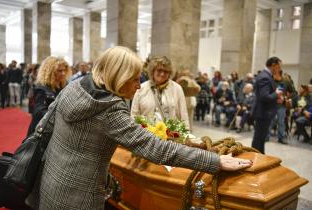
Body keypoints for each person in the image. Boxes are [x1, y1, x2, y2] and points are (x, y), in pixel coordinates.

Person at [26, 46, 252, 210]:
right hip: (79, 199)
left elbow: (45, 125)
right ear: (118, 76)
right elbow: (157, 149)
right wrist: (215, 161)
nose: (137, 85)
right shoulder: (109, 110)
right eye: (134, 79)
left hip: (51, 184)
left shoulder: (75, 87)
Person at [131, 56, 190, 129]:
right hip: (146, 135)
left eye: (166, 71)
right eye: (159, 70)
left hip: (171, 136)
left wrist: (187, 134)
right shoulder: (141, 88)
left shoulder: (177, 88)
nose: (162, 74)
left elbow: (184, 115)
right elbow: (134, 115)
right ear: (153, 71)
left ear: (170, 73)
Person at [26, 56, 71, 136]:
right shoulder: (41, 88)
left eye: (64, 70)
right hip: (42, 130)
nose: (63, 73)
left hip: (58, 129)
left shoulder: (65, 86)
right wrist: (59, 118)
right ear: (50, 72)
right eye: (59, 71)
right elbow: (39, 111)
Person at [251, 57, 284, 154]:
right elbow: (264, 97)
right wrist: (276, 94)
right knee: (258, 139)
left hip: (264, 112)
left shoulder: (267, 76)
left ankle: (260, 157)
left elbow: (266, 96)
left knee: (261, 138)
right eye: (278, 67)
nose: (279, 70)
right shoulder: (265, 77)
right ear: (273, 65)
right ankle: (255, 158)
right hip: (263, 113)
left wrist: (276, 99)